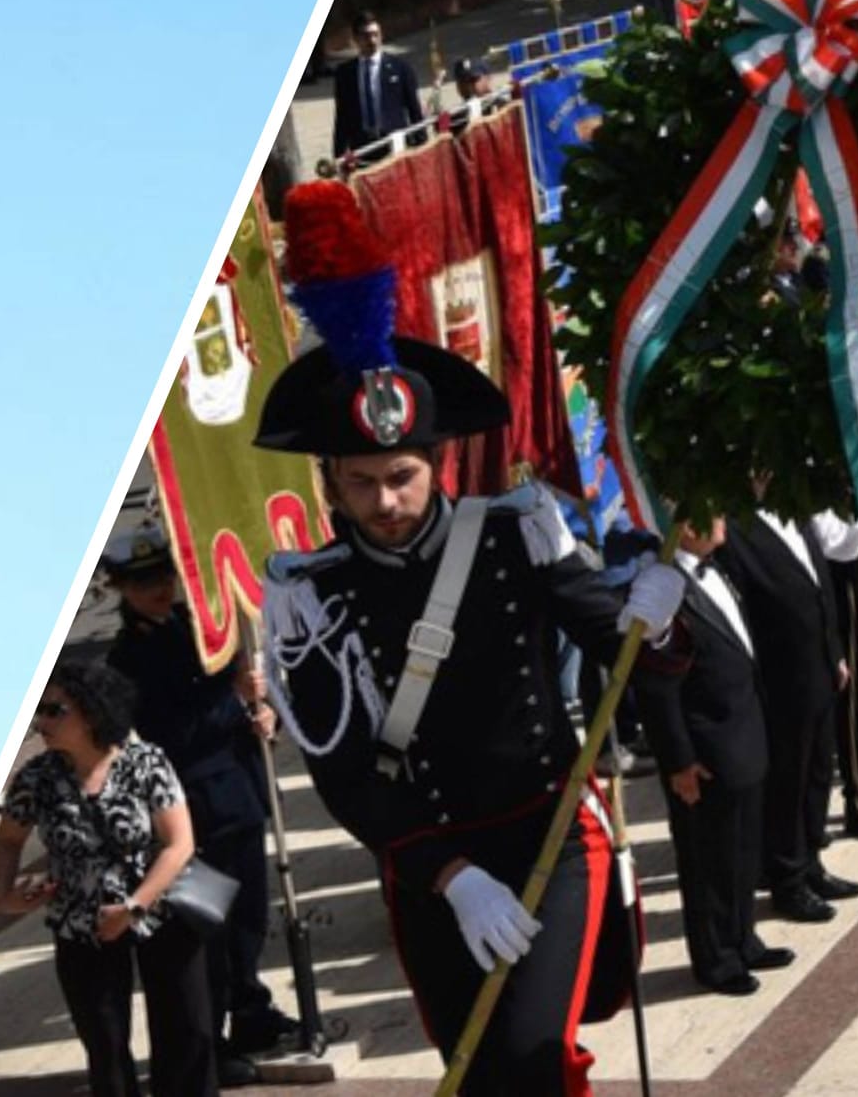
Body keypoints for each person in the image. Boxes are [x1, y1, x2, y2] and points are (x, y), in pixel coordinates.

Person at [252, 180, 689, 1093]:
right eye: (363, 481)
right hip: (432, 863)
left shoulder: (516, 530)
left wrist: (655, 613)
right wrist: (449, 876)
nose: (387, 501)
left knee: (534, 1053)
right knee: (477, 1068)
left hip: (552, 831)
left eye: (403, 475)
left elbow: (618, 650)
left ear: (438, 460)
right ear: (330, 482)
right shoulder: (309, 598)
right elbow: (341, 775)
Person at [100, 526, 297, 1081]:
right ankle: (208, 1044)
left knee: (248, 922)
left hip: (238, 795)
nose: (158, 589)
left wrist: (262, 713)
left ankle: (251, 1011)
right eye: (142, 582)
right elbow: (172, 732)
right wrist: (237, 703)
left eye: (163, 576)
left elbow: (235, 704)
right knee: (203, 932)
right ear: (120, 588)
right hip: (190, 813)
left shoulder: (197, 629)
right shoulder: (127, 660)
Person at [0, 661, 218, 1097]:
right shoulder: (36, 779)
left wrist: (133, 907)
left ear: (92, 712)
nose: (42, 722)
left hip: (162, 911)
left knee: (186, 1035)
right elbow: (6, 842)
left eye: (55, 710)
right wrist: (5, 895)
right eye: (38, 710)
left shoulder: (145, 762)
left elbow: (179, 844)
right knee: (106, 1048)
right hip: (81, 924)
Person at [655, 517, 796, 996]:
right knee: (708, 861)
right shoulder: (664, 588)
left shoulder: (719, 572)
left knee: (740, 851)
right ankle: (716, 959)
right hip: (705, 751)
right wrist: (678, 761)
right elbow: (657, 686)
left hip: (742, 737)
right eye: (708, 511)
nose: (719, 520)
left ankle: (743, 938)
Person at [718, 505, 858, 924]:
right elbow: (745, 613)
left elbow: (822, 588)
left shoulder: (795, 513)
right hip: (779, 678)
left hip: (818, 667)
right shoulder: (736, 529)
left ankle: (812, 859)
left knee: (819, 769)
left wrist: (834, 652)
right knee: (788, 778)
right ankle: (787, 878)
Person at [331, 11, 424, 159]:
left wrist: (421, 146)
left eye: (376, 34)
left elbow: (414, 110)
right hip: (362, 148)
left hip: (394, 147)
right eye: (366, 36)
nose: (372, 40)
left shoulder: (400, 68)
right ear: (355, 39)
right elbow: (342, 117)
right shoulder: (345, 74)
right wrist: (339, 156)